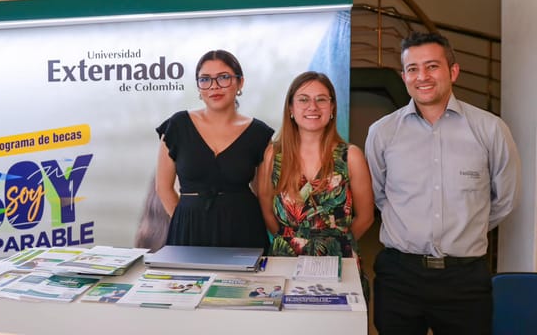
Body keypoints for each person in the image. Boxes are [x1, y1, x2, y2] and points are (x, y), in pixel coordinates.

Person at [364, 31, 521, 335]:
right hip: (400, 277)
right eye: (412, 69)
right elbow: (379, 195)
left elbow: (505, 199)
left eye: (432, 66)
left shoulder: (490, 130)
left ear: (454, 71)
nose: (422, 76)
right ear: (404, 76)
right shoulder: (382, 133)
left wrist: (467, 227)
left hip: (465, 279)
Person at [258, 71, 375, 295]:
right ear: (291, 109)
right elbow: (267, 214)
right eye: (303, 99)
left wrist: (336, 243)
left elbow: (366, 217)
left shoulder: (351, 156)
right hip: (286, 264)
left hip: (340, 264)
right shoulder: (273, 155)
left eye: (321, 99)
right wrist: (293, 240)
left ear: (332, 108)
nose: (313, 106)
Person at [155, 49, 273, 251]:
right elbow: (163, 188)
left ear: (240, 82)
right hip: (189, 231)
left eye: (224, 78)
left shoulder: (259, 133)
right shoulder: (178, 125)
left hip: (244, 229)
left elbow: (264, 194)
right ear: (198, 87)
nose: (214, 86)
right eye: (205, 79)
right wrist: (185, 219)